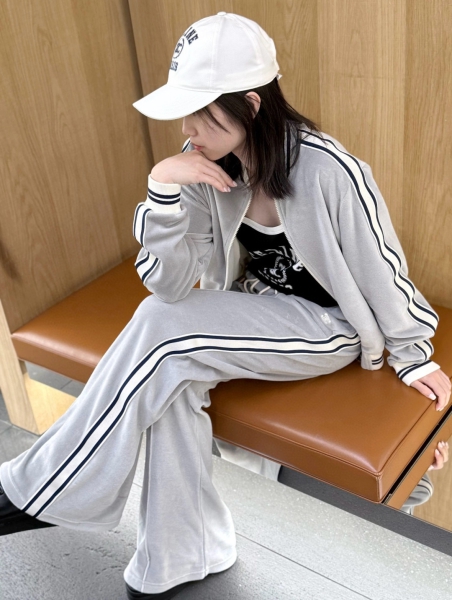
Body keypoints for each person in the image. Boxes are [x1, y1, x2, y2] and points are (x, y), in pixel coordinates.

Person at [0, 12, 451, 600]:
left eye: (202, 113)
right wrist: (164, 189)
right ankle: (181, 555)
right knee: (172, 373)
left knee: (162, 333)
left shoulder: (329, 170)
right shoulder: (201, 164)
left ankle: (42, 489)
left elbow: (381, 266)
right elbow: (168, 284)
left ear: (252, 106)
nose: (188, 129)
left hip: (327, 327)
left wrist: (414, 355)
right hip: (252, 311)